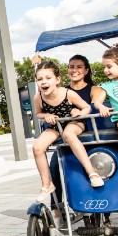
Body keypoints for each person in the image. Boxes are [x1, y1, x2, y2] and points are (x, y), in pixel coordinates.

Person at [33, 61, 104, 207]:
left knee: (68, 135)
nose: (43, 82)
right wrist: (46, 115)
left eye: (48, 78)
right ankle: (47, 184)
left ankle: (92, 172)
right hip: (56, 126)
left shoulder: (67, 93)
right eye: (40, 79)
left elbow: (86, 108)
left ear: (57, 79)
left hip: (74, 123)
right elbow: (38, 114)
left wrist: (78, 112)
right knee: (37, 147)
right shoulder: (38, 97)